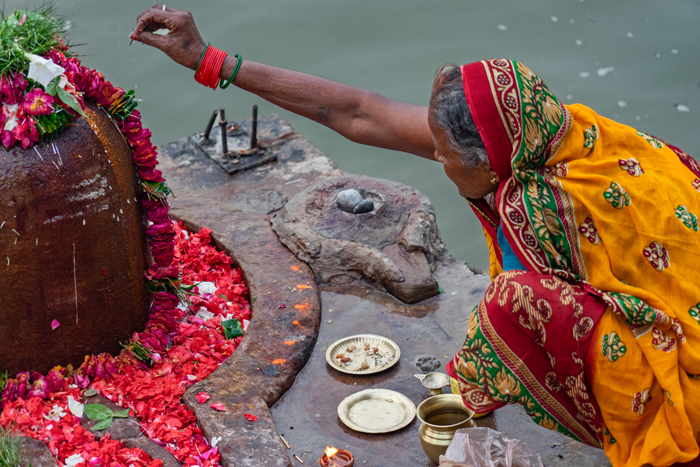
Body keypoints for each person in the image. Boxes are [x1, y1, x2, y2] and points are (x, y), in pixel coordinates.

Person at [132, 6, 700, 467]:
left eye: (446, 157)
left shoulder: (543, 208)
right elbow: (359, 112)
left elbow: (525, 309)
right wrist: (207, 60)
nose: (440, 162)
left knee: (511, 304)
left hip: (685, 370)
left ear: (488, 161)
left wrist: (455, 392)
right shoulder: (548, 129)